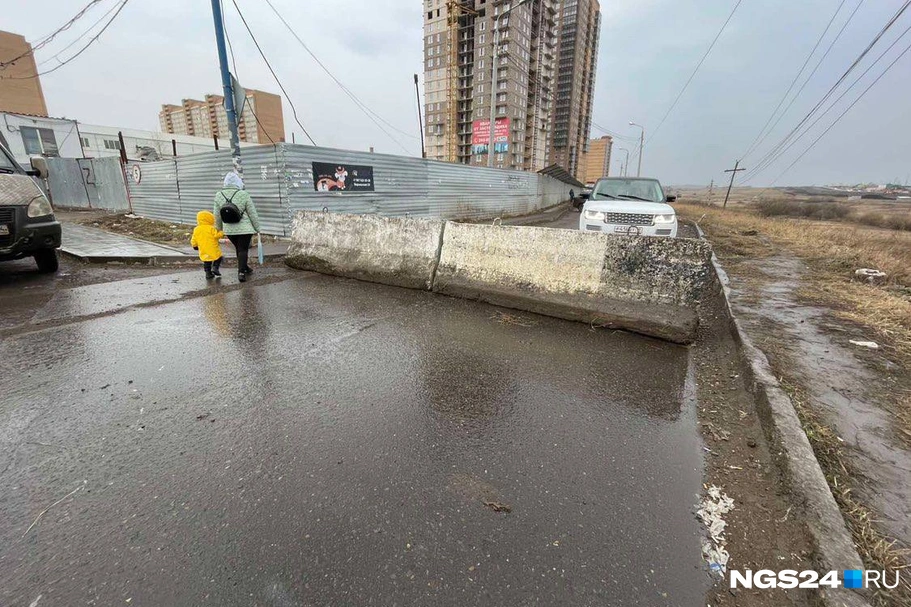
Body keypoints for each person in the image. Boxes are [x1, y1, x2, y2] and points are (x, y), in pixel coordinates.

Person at [214, 171, 261, 283]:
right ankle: (241, 272)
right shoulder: (244, 194)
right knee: (243, 249)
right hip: (245, 229)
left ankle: (245, 267)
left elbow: (217, 215)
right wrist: (257, 228)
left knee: (239, 249)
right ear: (238, 182)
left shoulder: (219, 195)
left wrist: (219, 229)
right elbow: (252, 213)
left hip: (229, 230)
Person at [190, 210, 224, 280]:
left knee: (207, 261)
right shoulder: (211, 228)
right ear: (210, 219)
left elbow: (194, 238)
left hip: (203, 248)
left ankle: (208, 273)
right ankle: (215, 268)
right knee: (219, 257)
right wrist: (222, 233)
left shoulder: (196, 229)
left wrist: (194, 245)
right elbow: (216, 235)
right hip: (213, 247)